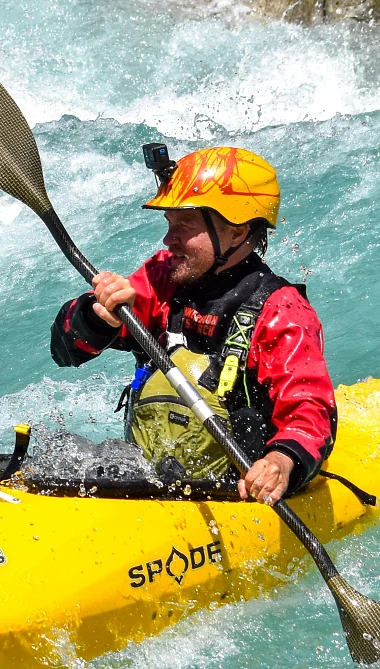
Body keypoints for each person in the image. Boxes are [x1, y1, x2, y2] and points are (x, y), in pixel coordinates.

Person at [48, 147, 335, 505]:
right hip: (151, 478)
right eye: (169, 224)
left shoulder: (282, 310)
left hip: (233, 494)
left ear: (236, 231)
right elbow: (65, 351)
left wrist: (280, 461)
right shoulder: (164, 278)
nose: (169, 240)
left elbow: (310, 413)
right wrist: (96, 316)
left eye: (185, 226)